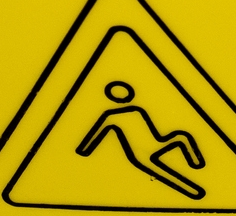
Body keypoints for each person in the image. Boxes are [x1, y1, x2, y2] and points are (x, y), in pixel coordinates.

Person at [76, 80, 206, 199]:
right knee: (161, 171)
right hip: (141, 154)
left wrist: (83, 150)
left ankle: (196, 164)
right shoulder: (112, 116)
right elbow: (94, 137)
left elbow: (152, 129)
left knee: (181, 137)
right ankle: (193, 191)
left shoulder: (137, 111)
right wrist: (84, 150)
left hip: (155, 143)